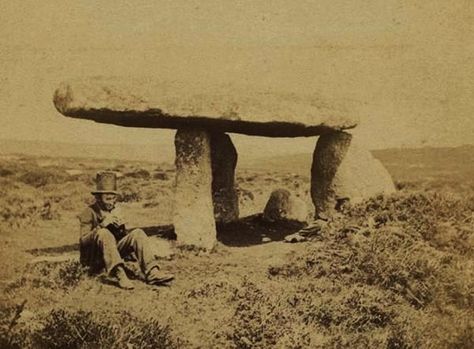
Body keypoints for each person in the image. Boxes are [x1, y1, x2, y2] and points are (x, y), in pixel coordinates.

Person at [78, 171, 174, 289]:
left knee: (137, 233)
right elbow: (83, 241)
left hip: (111, 256)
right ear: (98, 198)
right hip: (94, 261)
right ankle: (120, 274)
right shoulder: (88, 212)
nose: (111, 202)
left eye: (114, 199)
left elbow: (119, 241)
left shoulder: (114, 210)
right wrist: (102, 225)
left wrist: (120, 228)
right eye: (108, 199)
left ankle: (152, 272)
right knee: (103, 233)